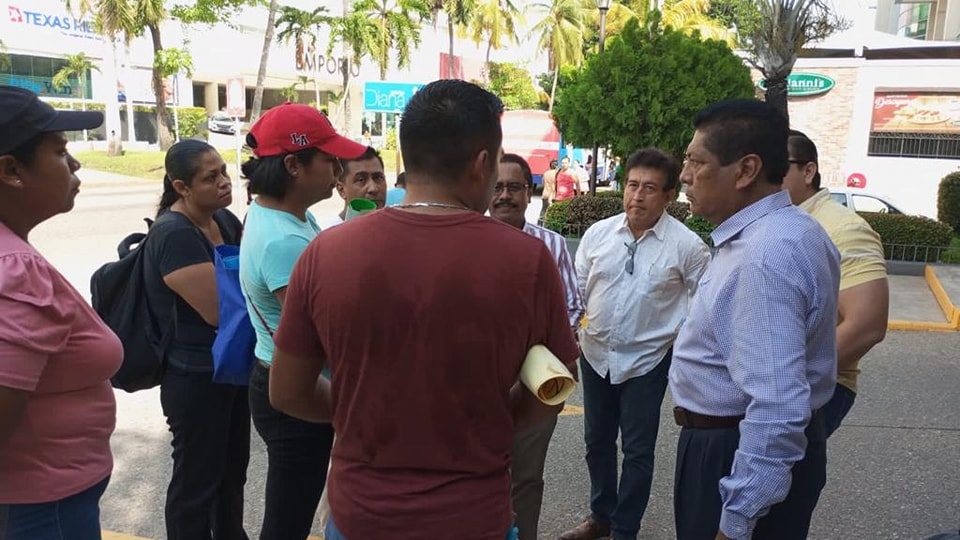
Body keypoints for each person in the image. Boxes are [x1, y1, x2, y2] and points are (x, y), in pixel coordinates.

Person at [268, 79, 580, 540]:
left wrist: (361, 410)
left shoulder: (326, 252)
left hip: (362, 516)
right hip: (474, 518)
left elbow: (288, 392)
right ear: (482, 164)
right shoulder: (526, 259)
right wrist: (495, 418)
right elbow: (552, 389)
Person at [669, 99, 840, 540]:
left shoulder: (764, 255)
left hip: (732, 449)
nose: (684, 175)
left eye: (696, 161)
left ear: (745, 171)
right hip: (731, 443)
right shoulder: (787, 231)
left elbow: (778, 405)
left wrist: (738, 517)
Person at [559, 148, 710, 540]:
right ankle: (601, 517)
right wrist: (567, 340)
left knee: (638, 452)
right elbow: (576, 291)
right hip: (595, 355)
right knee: (596, 443)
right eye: (631, 185)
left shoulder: (688, 248)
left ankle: (625, 529)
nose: (637, 197)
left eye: (649, 188)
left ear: (668, 195)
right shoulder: (598, 234)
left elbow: (702, 310)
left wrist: (681, 358)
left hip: (647, 362)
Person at [239, 103, 366, 540]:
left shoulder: (286, 215)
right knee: (289, 517)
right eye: (329, 159)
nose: (337, 168)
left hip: (281, 375)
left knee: (292, 505)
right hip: (297, 388)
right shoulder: (282, 240)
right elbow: (320, 333)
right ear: (293, 164)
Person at [0, 86, 122, 539]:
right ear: (11, 170)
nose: (74, 164)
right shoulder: (15, 270)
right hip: (41, 507)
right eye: (59, 150)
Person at [144, 139, 250, 540]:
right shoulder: (174, 234)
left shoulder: (223, 221)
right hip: (194, 376)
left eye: (224, 172)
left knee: (231, 471)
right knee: (197, 481)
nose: (225, 182)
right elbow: (219, 311)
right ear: (181, 187)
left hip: (230, 366)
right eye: (211, 177)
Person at [488, 153, 584, 540]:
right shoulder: (466, 241)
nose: (505, 195)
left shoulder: (552, 244)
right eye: (497, 187)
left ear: (529, 193)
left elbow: (573, 304)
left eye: (514, 187)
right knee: (475, 475)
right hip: (477, 385)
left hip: (535, 381)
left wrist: (540, 346)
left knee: (526, 478)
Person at [782, 130, 888, 437]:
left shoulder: (844, 228)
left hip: (813, 390)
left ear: (808, 171)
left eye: (780, 165)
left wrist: (790, 381)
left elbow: (867, 325)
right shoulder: (779, 221)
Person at [321, 146, 387, 229]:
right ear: (341, 190)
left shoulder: (395, 230)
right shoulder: (328, 237)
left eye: (378, 178)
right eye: (361, 179)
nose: (373, 188)